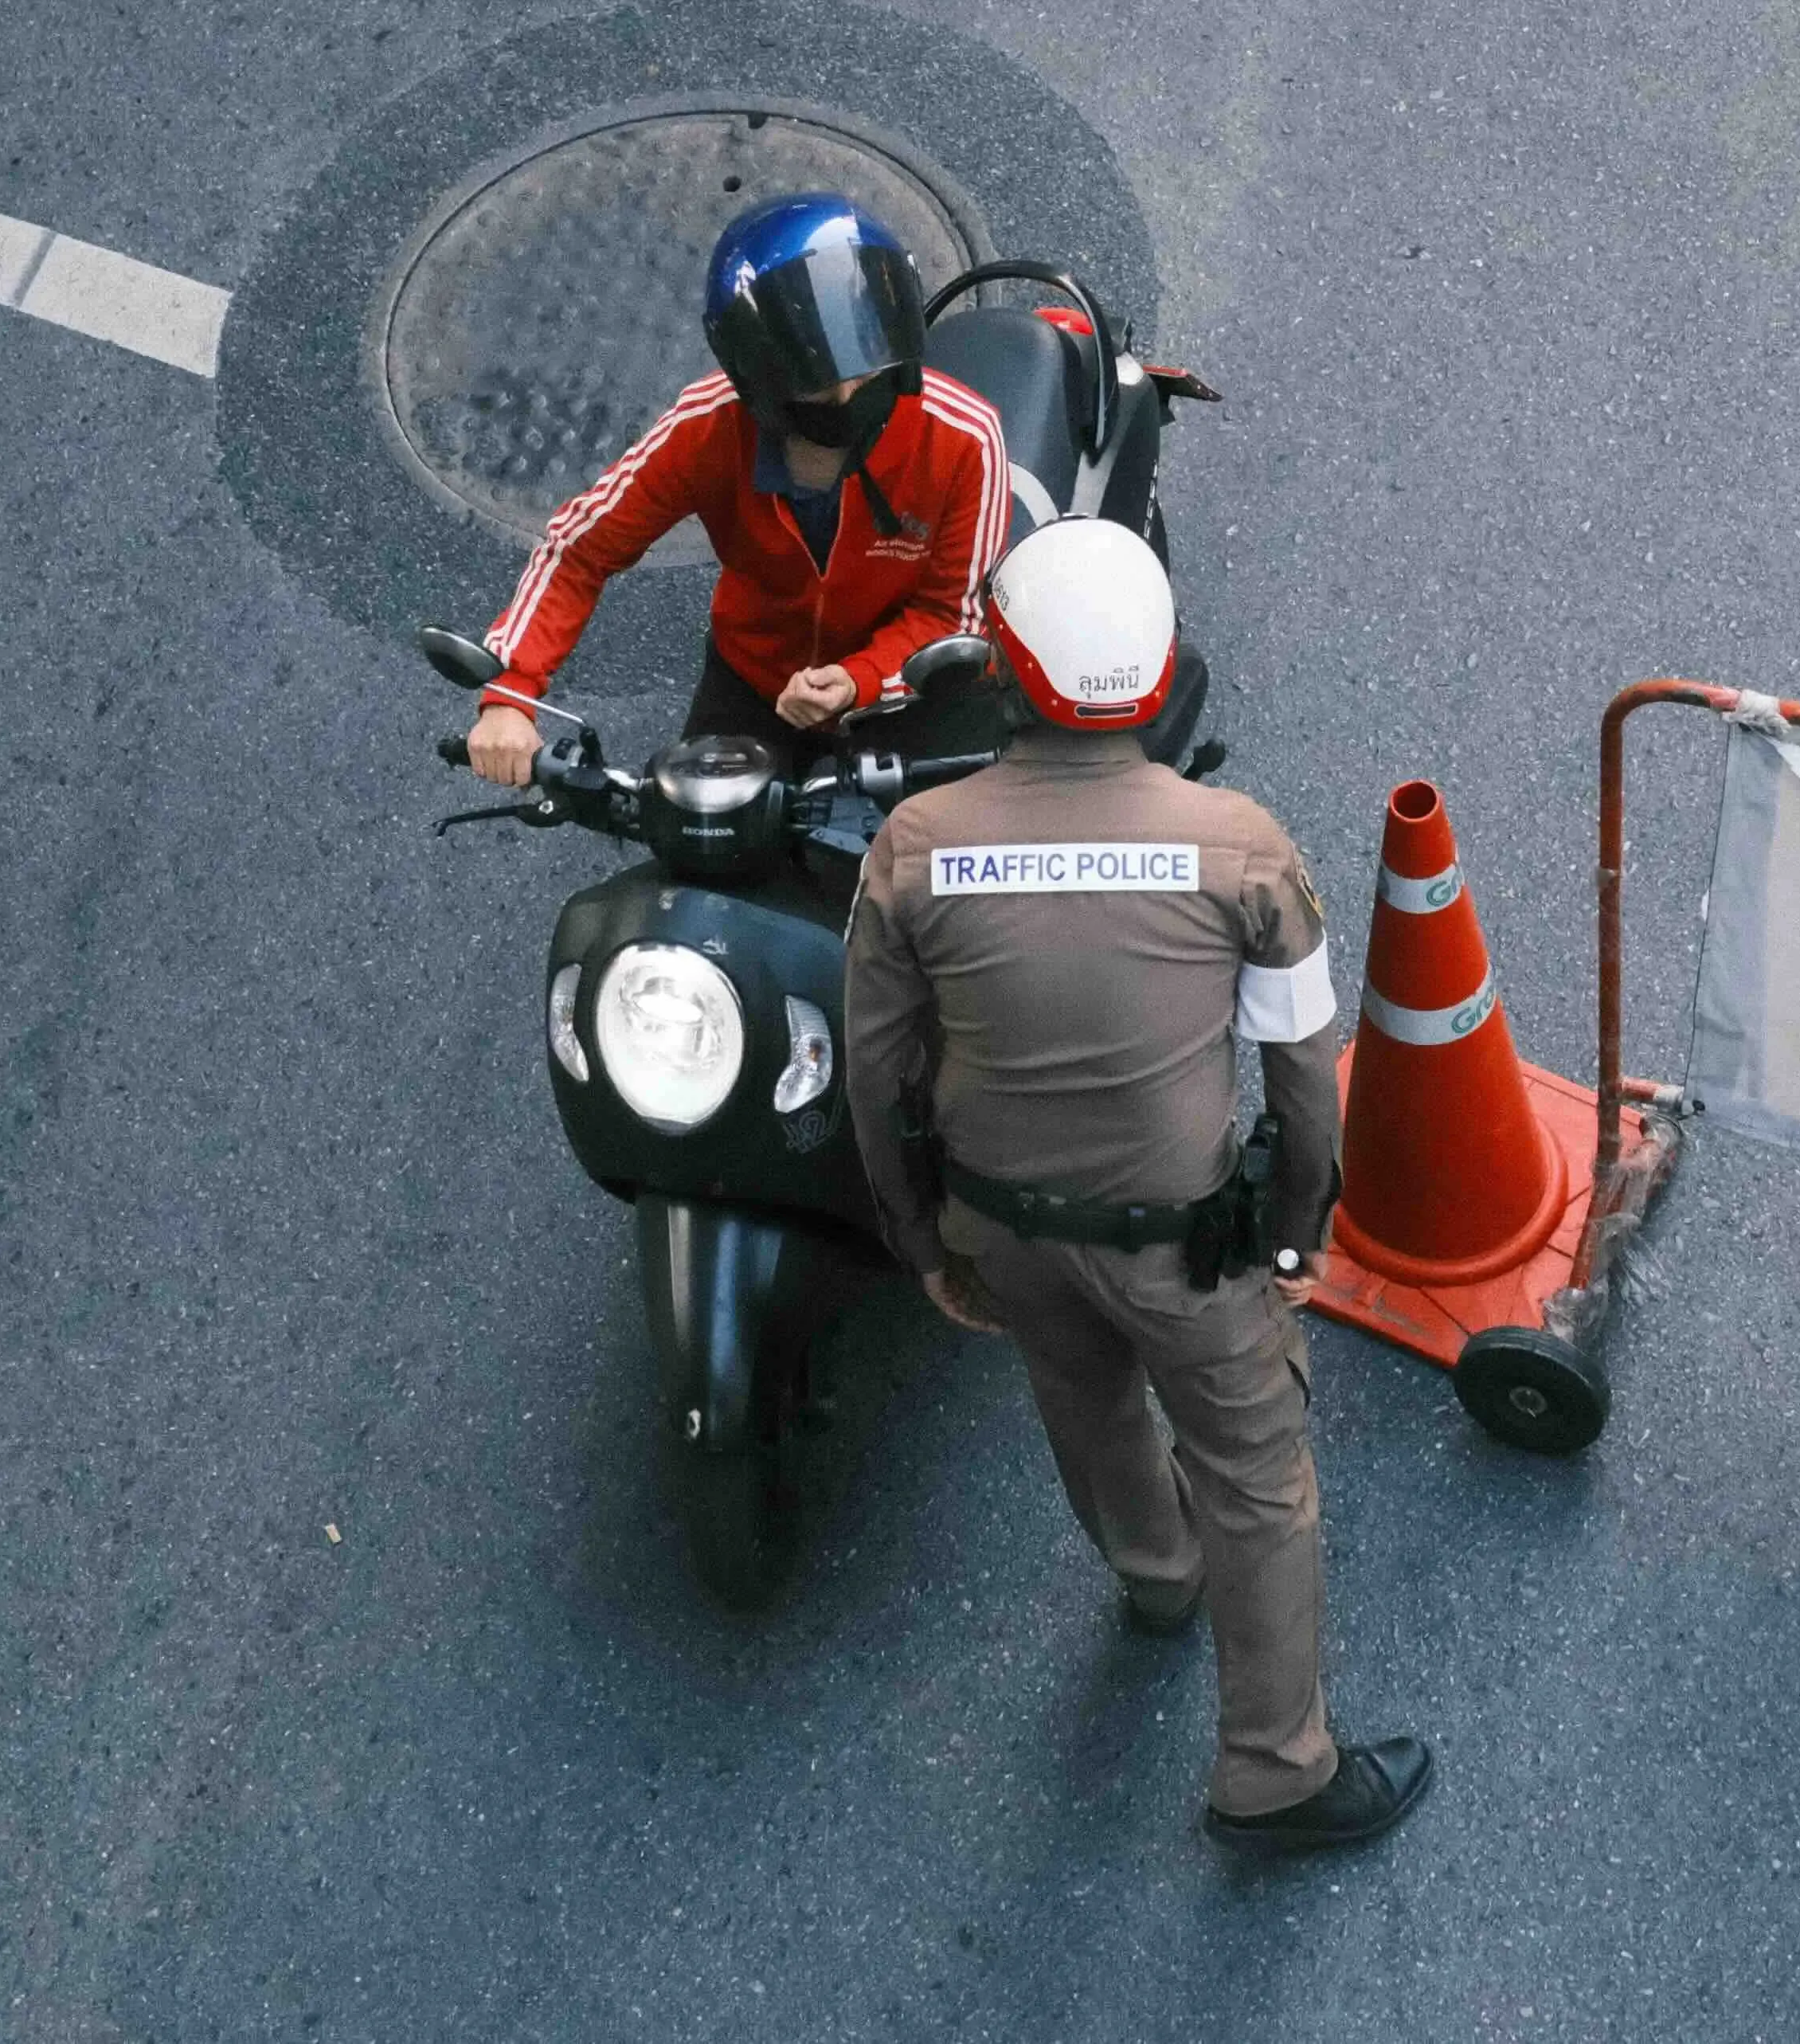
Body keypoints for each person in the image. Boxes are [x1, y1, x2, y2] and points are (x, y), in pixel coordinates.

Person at [839, 518, 1432, 1856]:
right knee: (1257, 1476)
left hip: (1004, 1224)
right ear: (1157, 672)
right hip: (1187, 1246)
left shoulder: (916, 848)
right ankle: (1274, 1770)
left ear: (1007, 670)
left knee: (1081, 1392)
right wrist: (1296, 1235)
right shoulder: (1240, 848)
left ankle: (1156, 1573)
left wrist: (923, 1239)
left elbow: (877, 1075)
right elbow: (1302, 1076)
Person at [461, 195, 1012, 785]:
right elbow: (579, 551)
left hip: (907, 689)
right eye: (817, 388)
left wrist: (860, 679)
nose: (848, 401)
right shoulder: (706, 427)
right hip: (758, 680)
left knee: (931, 843)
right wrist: (510, 691)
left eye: (865, 374)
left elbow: (952, 615)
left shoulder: (965, 437)